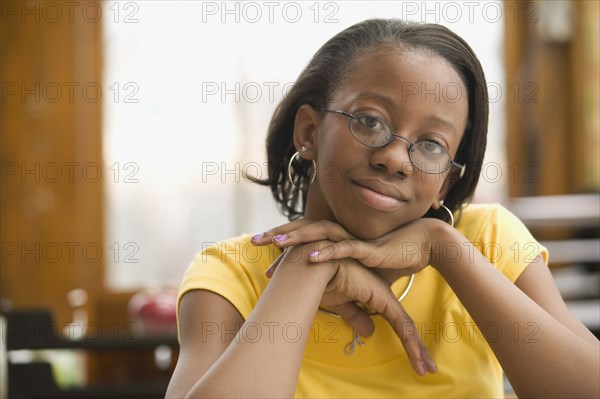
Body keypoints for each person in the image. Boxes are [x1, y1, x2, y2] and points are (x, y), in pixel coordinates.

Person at [166, 19, 599, 398]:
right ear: (309, 132)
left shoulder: (486, 242)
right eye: (370, 120)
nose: (394, 158)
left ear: (445, 182)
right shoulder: (230, 273)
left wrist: (443, 245)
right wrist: (307, 264)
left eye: (431, 145)